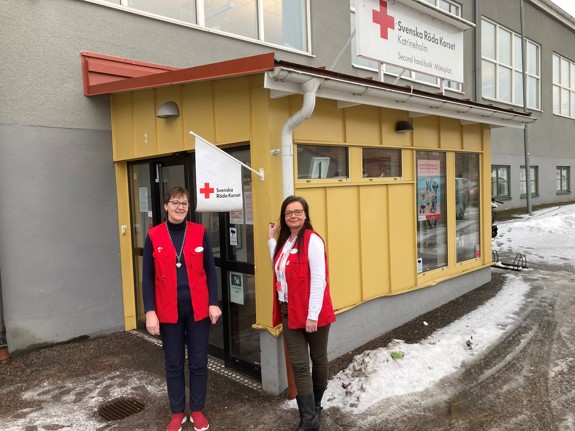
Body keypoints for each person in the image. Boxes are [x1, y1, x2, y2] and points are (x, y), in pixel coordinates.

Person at [142, 186, 221, 431]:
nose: (180, 207)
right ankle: (177, 412)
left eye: (184, 203)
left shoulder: (199, 232)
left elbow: (210, 270)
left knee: (198, 362)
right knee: (173, 363)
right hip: (167, 312)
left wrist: (213, 303)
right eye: (175, 202)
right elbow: (147, 277)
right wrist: (150, 311)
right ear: (166, 206)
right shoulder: (154, 235)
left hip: (197, 309)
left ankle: (196, 409)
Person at [268, 195, 336, 431]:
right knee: (299, 364)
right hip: (289, 310)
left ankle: (316, 405)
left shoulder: (312, 240)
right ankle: (309, 419)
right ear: (284, 217)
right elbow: (280, 270)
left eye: (297, 212)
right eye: (288, 213)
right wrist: (271, 240)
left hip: (312, 311)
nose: (293, 216)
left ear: (305, 214)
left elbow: (319, 280)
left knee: (318, 359)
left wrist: (312, 315)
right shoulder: (285, 241)